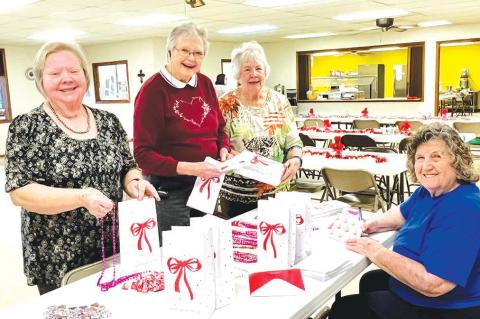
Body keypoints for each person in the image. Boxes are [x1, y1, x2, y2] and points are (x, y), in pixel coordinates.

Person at [4, 41, 159, 295]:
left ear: (85, 76)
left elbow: (127, 167)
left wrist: (133, 183)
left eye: (74, 71)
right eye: (55, 73)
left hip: (112, 244)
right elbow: (20, 191)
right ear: (41, 81)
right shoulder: (27, 126)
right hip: (58, 255)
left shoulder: (108, 121)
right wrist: (81, 196)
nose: (66, 79)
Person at [329, 123, 480, 319]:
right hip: (424, 293)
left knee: (345, 309)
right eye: (420, 158)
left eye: (437, 156)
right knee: (370, 281)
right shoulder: (427, 193)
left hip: (445, 306)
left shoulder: (464, 208)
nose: (426, 166)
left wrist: (373, 249)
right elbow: (401, 214)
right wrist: (371, 223)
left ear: (457, 161)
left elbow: (434, 284)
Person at [134, 22, 232, 239]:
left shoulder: (205, 84)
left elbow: (220, 129)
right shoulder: (152, 90)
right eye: (185, 51)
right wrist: (192, 168)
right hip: (169, 191)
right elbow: (143, 156)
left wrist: (223, 148)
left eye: (198, 53)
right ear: (169, 52)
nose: (192, 58)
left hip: (206, 186)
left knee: (205, 246)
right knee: (178, 252)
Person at [218, 41, 303, 218]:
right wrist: (224, 152)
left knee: (275, 241)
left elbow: (293, 141)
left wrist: (295, 159)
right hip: (236, 195)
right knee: (239, 243)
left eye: (259, 68)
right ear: (237, 74)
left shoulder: (279, 102)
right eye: (247, 69)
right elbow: (217, 144)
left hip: (276, 192)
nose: (254, 74)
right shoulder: (225, 104)